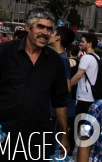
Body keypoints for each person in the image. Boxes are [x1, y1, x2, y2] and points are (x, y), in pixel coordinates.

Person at [0, 8, 70, 161]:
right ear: (28, 27)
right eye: (40, 27)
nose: (45, 33)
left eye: (49, 29)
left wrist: (64, 136)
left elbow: (60, 101)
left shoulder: (55, 61)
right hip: (2, 134)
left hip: (36, 138)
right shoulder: (4, 51)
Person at [48, 26, 76, 155]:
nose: (50, 35)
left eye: (53, 33)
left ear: (58, 37)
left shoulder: (62, 59)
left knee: (50, 148)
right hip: (49, 110)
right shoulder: (56, 57)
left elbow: (67, 86)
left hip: (54, 111)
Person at [70, 32, 100, 117]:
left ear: (89, 44)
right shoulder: (96, 57)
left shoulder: (86, 58)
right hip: (93, 96)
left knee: (79, 124)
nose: (80, 43)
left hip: (84, 98)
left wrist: (67, 86)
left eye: (83, 42)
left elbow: (79, 75)